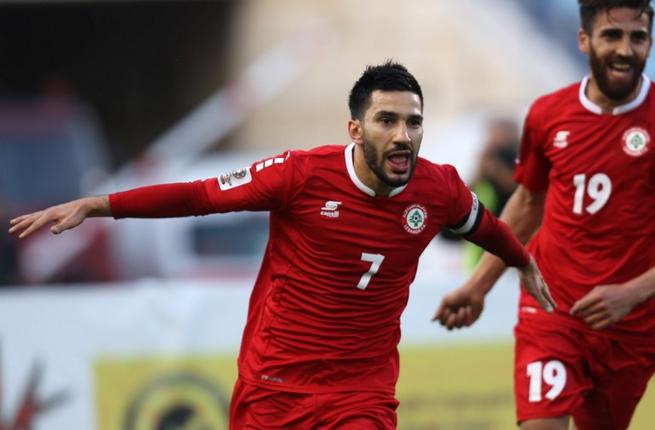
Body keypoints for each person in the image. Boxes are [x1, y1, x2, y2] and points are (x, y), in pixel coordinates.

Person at [9, 61, 555, 429]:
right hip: (274, 388)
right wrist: (99, 204)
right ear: (355, 129)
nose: (402, 135)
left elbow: (485, 227)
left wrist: (521, 261)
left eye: (413, 122)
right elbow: (198, 195)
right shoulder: (300, 175)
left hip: (359, 393)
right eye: (386, 120)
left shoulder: (438, 188)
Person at [435, 1, 655, 429]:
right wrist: (478, 285)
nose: (625, 49)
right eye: (612, 35)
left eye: (638, 37)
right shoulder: (548, 114)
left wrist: (632, 293)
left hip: (631, 327)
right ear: (584, 40)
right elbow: (528, 204)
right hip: (552, 310)